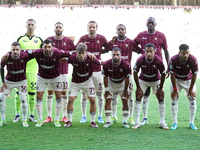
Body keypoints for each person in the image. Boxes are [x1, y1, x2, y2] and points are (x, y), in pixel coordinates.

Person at [26, 39, 72, 127]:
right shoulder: (37, 52)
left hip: (55, 77)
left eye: (49, 47)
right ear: (42, 47)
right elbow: (24, 51)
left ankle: (57, 120)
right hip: (42, 77)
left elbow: (71, 53)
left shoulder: (58, 52)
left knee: (58, 96)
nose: (47, 49)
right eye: (45, 47)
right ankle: (40, 119)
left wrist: (87, 53)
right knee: (39, 96)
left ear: (52, 47)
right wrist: (8, 53)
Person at [133, 17, 170, 125]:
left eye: (152, 23)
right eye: (148, 23)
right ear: (146, 24)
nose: (150, 24)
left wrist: (168, 65)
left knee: (160, 95)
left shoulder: (161, 35)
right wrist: (142, 52)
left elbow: (166, 51)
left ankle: (162, 122)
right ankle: (143, 119)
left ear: (155, 24)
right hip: (144, 67)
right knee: (144, 94)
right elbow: (132, 44)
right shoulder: (141, 35)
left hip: (157, 67)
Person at [105, 24, 141, 125]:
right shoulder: (113, 41)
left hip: (126, 73)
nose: (120, 31)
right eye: (119, 29)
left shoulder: (130, 42)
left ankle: (130, 117)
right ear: (116, 31)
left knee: (129, 95)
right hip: (114, 72)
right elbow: (105, 49)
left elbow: (140, 51)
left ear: (125, 31)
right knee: (113, 96)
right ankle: (114, 116)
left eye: (122, 29)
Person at [43, 22, 76, 123]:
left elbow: (73, 53)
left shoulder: (68, 40)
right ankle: (49, 116)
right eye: (56, 27)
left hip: (64, 71)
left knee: (63, 93)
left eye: (60, 27)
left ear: (63, 29)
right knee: (50, 92)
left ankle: (64, 116)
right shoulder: (49, 40)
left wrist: (64, 59)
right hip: (51, 71)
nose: (58, 29)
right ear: (54, 29)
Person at [64, 43, 102, 128]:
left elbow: (100, 63)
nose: (81, 55)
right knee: (70, 99)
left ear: (86, 52)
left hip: (88, 81)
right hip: (75, 82)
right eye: (79, 53)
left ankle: (92, 121)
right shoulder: (73, 58)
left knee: (92, 99)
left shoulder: (91, 58)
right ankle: (69, 121)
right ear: (76, 52)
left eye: (83, 53)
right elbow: (63, 59)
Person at [76, 21, 108, 124]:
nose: (92, 29)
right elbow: (76, 50)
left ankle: (99, 116)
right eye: (90, 27)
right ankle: (84, 116)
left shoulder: (101, 38)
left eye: (94, 27)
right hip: (86, 71)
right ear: (87, 28)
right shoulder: (83, 39)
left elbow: (107, 49)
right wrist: (87, 53)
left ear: (96, 28)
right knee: (84, 94)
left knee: (99, 94)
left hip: (97, 71)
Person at [132, 43, 168, 130]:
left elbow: (163, 73)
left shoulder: (159, 60)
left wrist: (160, 88)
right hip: (143, 79)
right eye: (147, 51)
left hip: (155, 80)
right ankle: (137, 122)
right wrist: (138, 87)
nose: (148, 53)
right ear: (144, 51)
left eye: (151, 51)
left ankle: (162, 122)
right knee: (138, 97)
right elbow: (135, 72)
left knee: (161, 98)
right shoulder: (140, 59)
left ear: (154, 51)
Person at [13, 19, 43, 123]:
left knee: (32, 93)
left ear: (35, 26)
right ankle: (17, 114)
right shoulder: (20, 39)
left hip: (33, 70)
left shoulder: (39, 40)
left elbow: (42, 54)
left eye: (32, 25)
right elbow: (14, 52)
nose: (30, 26)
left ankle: (31, 114)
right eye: (29, 24)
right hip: (21, 70)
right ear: (26, 26)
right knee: (18, 93)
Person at [0, 42, 33, 127]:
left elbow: (35, 54)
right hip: (9, 81)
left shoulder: (24, 56)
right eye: (13, 50)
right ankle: (3, 120)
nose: (15, 51)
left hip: (22, 81)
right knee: (1, 98)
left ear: (20, 50)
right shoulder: (6, 57)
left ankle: (24, 120)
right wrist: (3, 82)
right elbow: (1, 68)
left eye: (17, 50)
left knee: (23, 98)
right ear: (11, 50)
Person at [168, 44, 198, 130]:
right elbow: (172, 75)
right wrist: (174, 89)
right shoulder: (173, 59)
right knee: (174, 99)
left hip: (188, 80)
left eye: (187, 53)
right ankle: (175, 123)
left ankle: (191, 122)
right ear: (179, 53)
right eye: (183, 53)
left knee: (192, 99)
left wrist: (190, 89)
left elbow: (195, 75)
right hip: (177, 80)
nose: (186, 55)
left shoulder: (193, 60)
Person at [103, 47, 131, 128]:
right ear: (111, 55)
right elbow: (105, 77)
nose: (116, 56)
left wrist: (125, 90)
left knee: (125, 100)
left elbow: (127, 78)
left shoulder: (126, 64)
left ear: (120, 55)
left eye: (117, 55)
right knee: (108, 100)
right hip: (111, 82)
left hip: (122, 83)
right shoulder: (106, 64)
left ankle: (125, 122)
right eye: (114, 55)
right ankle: (108, 121)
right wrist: (106, 89)